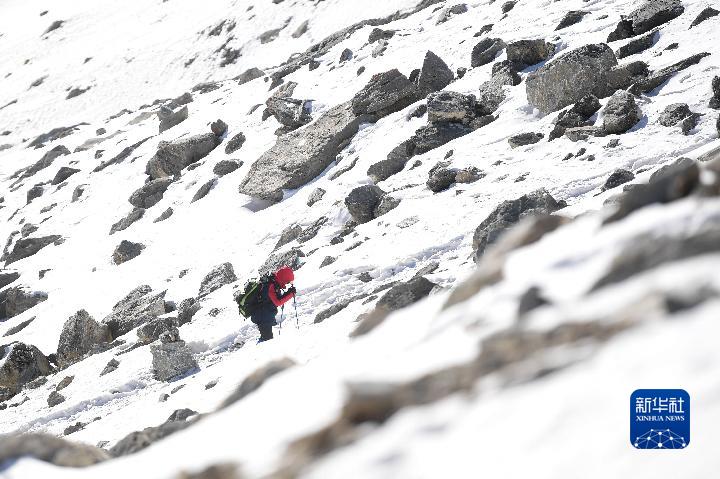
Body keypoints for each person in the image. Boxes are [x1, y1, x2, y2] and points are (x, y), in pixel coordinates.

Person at [250, 266, 296, 342]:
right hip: (263, 317)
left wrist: (288, 293)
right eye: (287, 282)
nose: (287, 284)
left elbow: (275, 299)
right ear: (283, 279)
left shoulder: (274, 283)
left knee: (266, 339)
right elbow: (277, 302)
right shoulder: (271, 285)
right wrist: (290, 294)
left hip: (263, 315)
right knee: (266, 341)